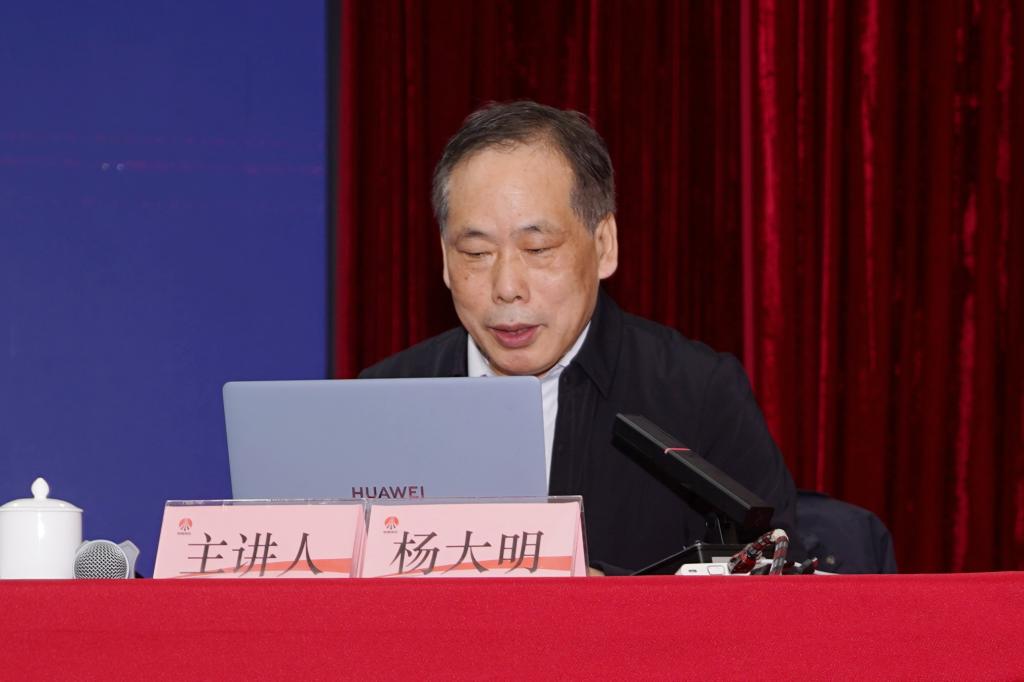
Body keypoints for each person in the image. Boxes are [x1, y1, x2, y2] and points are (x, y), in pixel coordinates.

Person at [360, 101, 801, 572]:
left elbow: (778, 588)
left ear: (604, 244)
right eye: (476, 252)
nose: (507, 287)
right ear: (446, 260)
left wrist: (606, 602)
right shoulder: (381, 403)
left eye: (537, 248)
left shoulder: (697, 397)